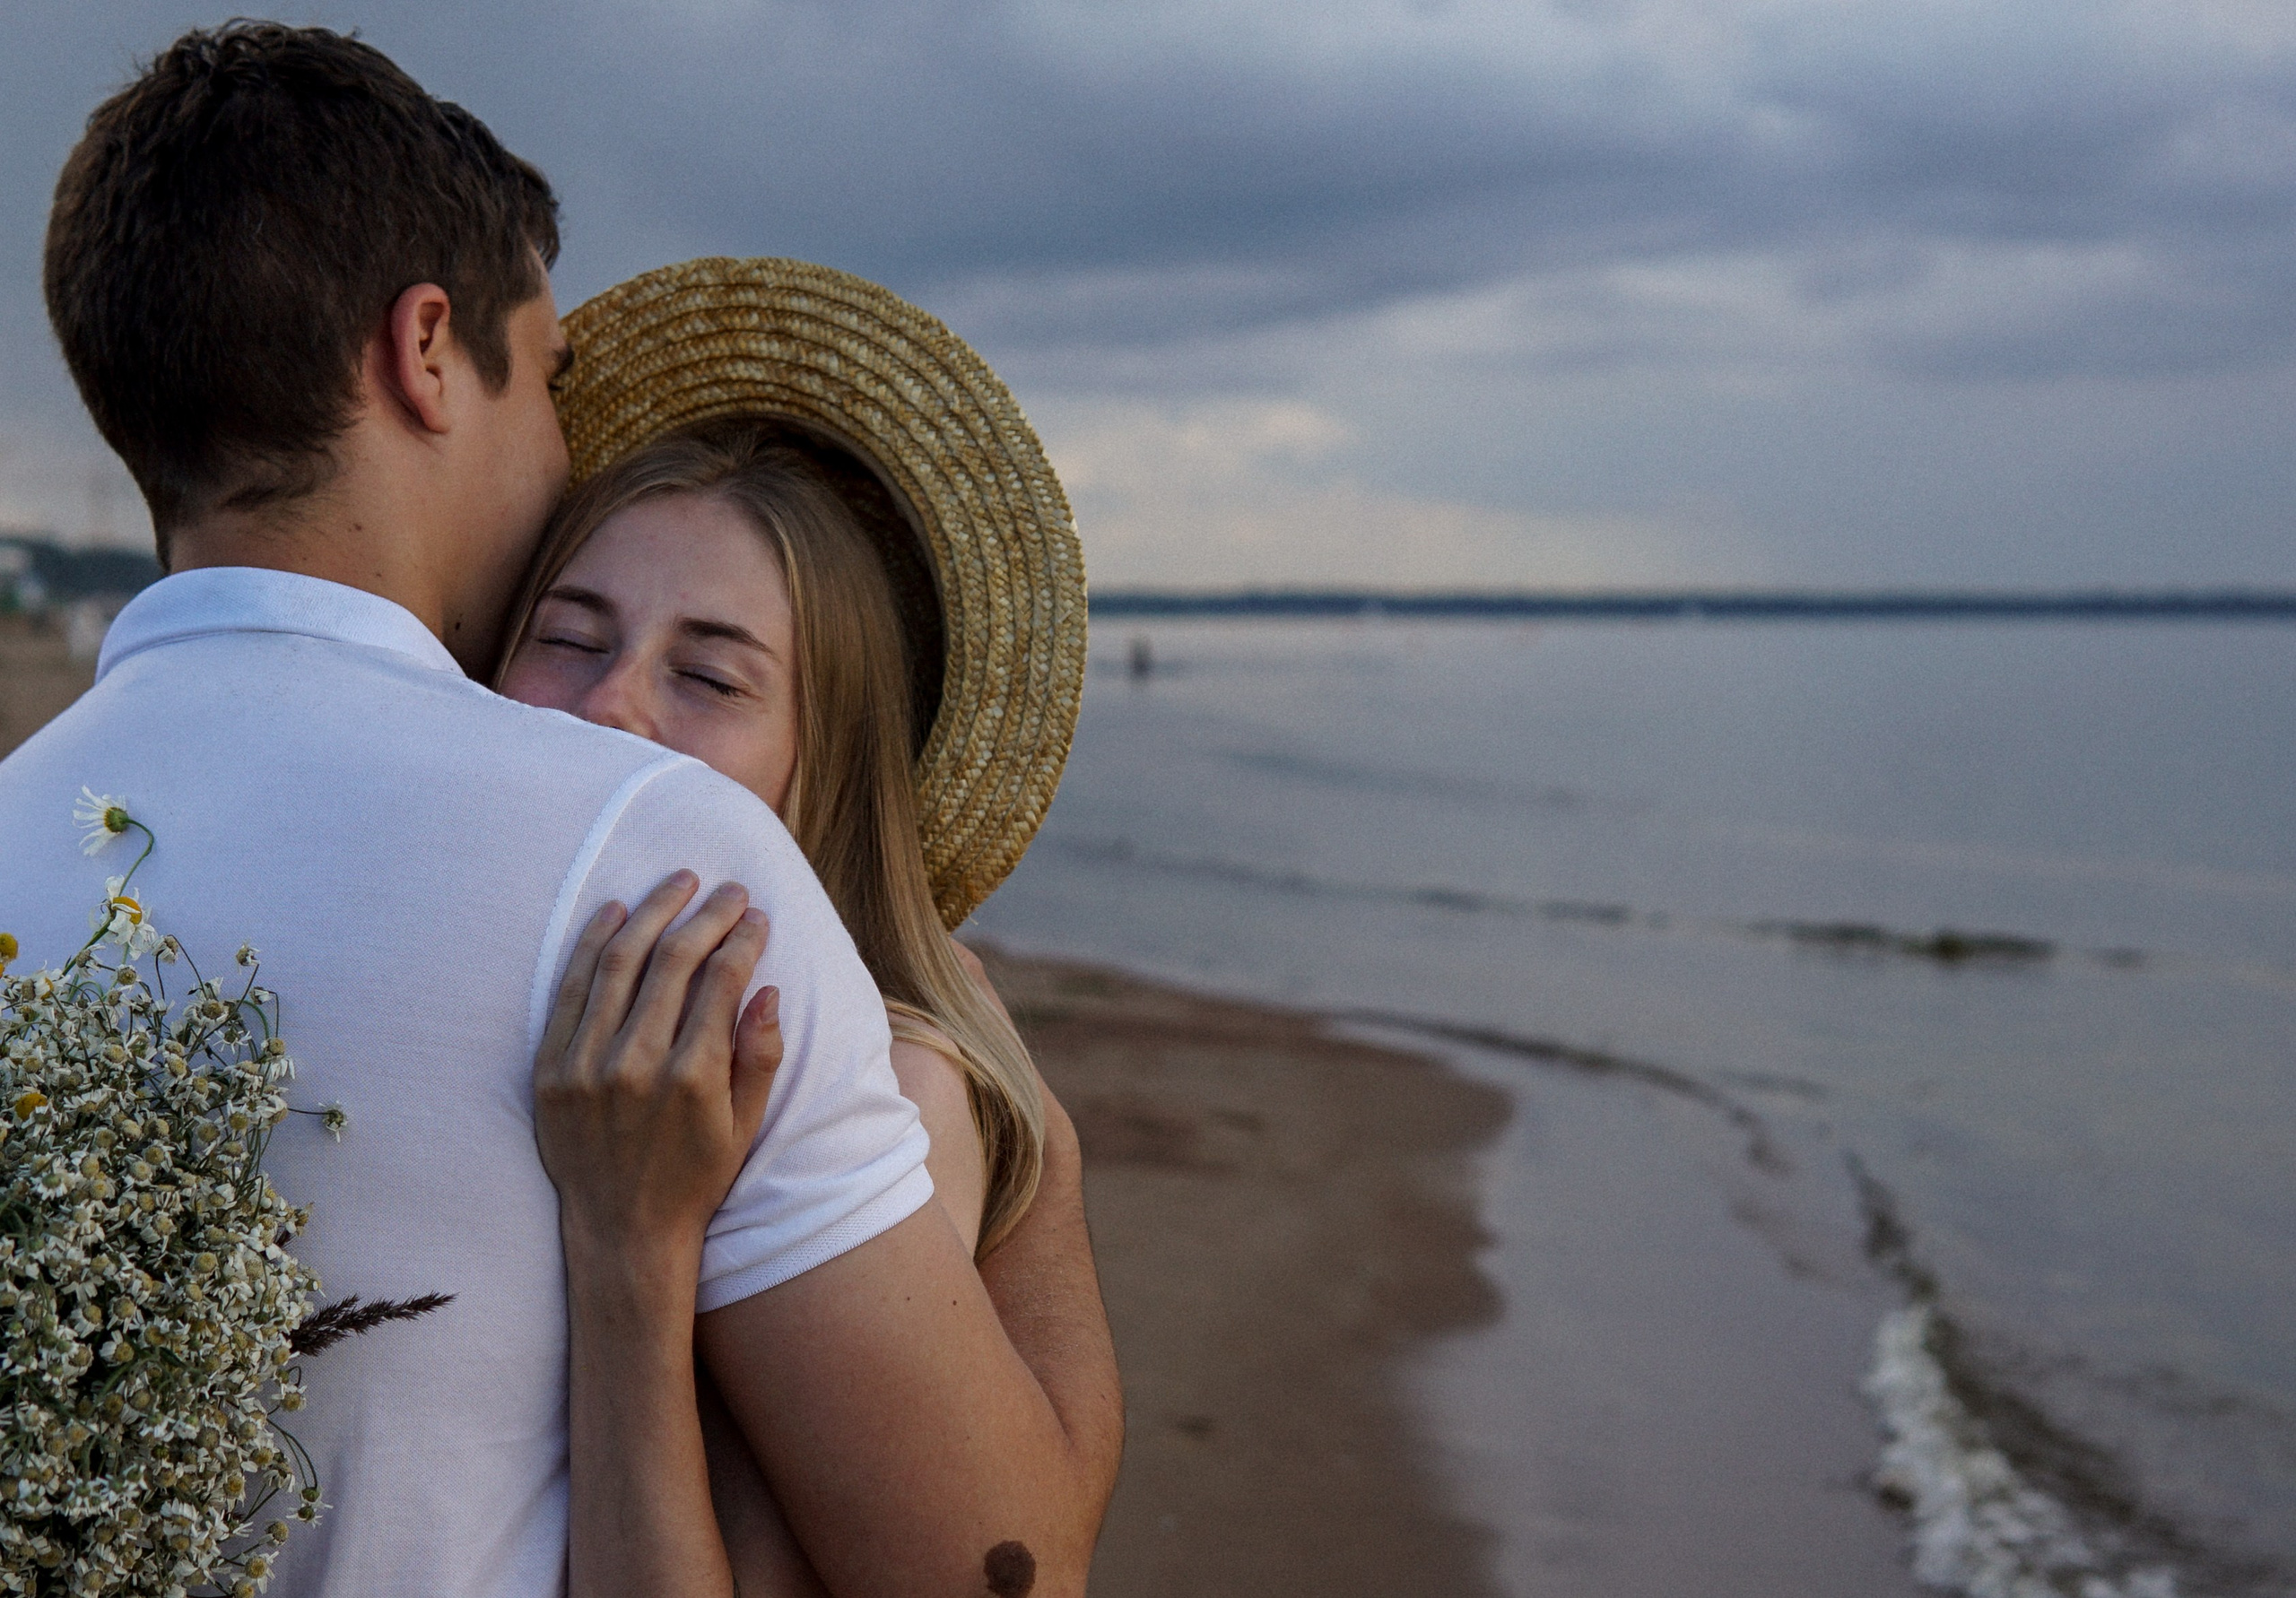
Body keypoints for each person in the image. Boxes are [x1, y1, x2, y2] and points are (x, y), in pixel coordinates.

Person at [2, 23, 1116, 1598]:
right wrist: (1039, 1152)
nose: (561, 450)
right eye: (553, 378)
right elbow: (995, 1569)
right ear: (428, 350)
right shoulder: (654, 860)